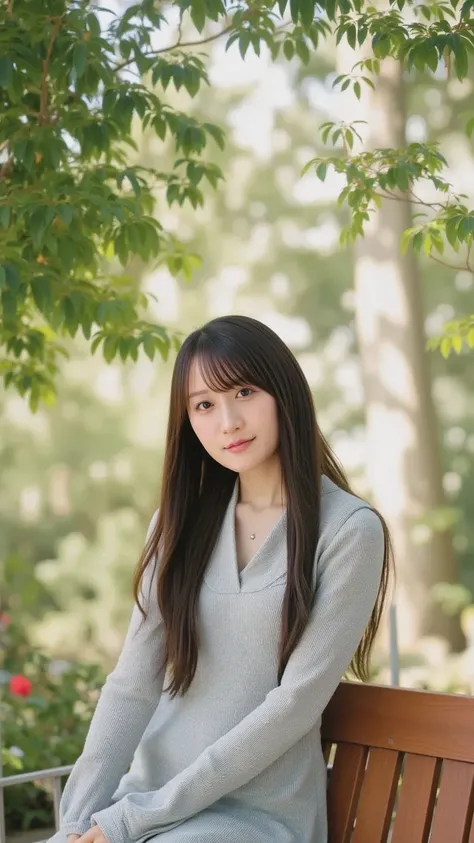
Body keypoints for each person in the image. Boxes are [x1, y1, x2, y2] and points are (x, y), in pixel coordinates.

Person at [49, 314, 392, 843]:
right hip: (149, 803)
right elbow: (132, 684)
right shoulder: (176, 524)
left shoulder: (349, 532)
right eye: (204, 404)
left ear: (284, 393)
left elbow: (293, 705)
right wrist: (76, 822)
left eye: (244, 391)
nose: (227, 420)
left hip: (252, 817)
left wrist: (132, 820)